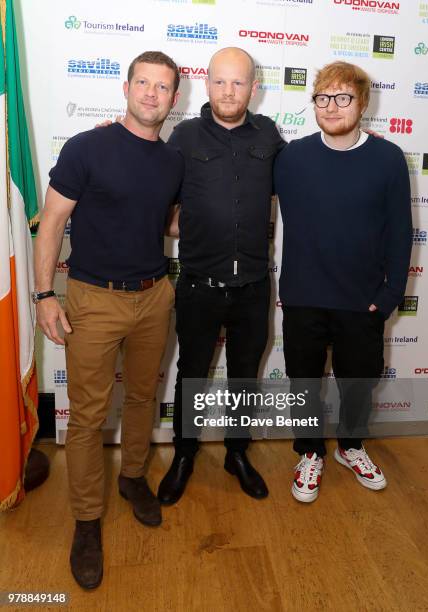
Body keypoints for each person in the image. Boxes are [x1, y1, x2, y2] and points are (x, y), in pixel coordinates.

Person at [34, 51, 183, 589]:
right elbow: (50, 223)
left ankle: (135, 478)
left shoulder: (173, 160)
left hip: (154, 294)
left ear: (174, 97)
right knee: (90, 417)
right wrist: (45, 294)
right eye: (142, 83)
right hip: (93, 298)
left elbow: (167, 220)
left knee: (144, 397)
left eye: (162, 87)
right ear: (126, 88)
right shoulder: (86, 147)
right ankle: (86, 519)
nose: (151, 94)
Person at [274, 61, 412, 503]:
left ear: (362, 103)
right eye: (323, 97)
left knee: (358, 383)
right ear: (313, 103)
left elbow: (400, 232)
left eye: (343, 97)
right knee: (304, 381)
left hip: (362, 301)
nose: (331, 107)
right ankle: (310, 451)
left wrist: (390, 295)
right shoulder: (291, 158)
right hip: (303, 298)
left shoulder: (389, 159)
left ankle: (351, 447)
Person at [157, 47, 286, 505]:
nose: (228, 91)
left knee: (244, 377)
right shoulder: (183, 137)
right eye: (220, 82)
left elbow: (300, 186)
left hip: (253, 286)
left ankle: (236, 453)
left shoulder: (269, 134)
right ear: (206, 85)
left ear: (254, 87)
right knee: (192, 374)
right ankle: (185, 455)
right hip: (197, 285)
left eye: (238, 82)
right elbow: (157, 199)